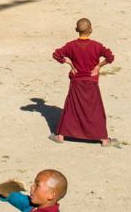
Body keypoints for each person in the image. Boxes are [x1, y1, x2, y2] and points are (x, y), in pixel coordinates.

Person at [50, 18, 116, 147]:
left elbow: (56, 54)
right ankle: (104, 139)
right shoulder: (96, 46)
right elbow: (110, 57)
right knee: (95, 109)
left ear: (76, 30)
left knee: (71, 109)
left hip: (77, 82)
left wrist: (69, 63)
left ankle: (61, 136)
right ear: (91, 30)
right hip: (91, 82)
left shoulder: (71, 46)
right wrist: (98, 66)